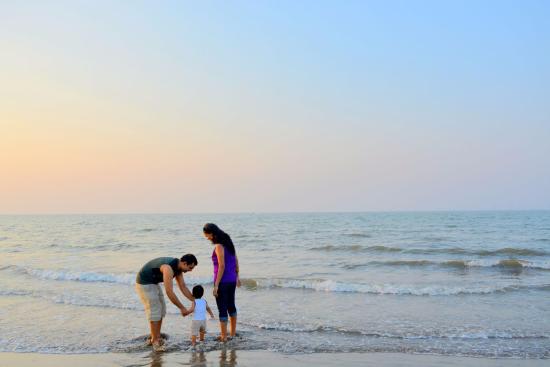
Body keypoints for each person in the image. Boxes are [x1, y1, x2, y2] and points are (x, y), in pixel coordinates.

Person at [135, 254, 197, 351]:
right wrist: (182, 308)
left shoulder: (178, 269)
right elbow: (169, 291)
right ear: (184, 263)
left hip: (153, 283)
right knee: (155, 310)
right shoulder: (168, 268)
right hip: (144, 283)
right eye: (190, 267)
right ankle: (154, 340)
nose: (190, 270)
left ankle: (157, 336)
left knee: (162, 309)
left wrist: (195, 300)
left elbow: (183, 287)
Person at [203, 223, 240, 342]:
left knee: (222, 308)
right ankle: (232, 334)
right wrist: (237, 277)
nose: (207, 238)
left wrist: (216, 285)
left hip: (223, 281)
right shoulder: (229, 244)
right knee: (231, 305)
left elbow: (222, 266)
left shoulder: (219, 246)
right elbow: (236, 260)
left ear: (212, 234)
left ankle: (224, 336)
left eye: (207, 235)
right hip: (231, 280)